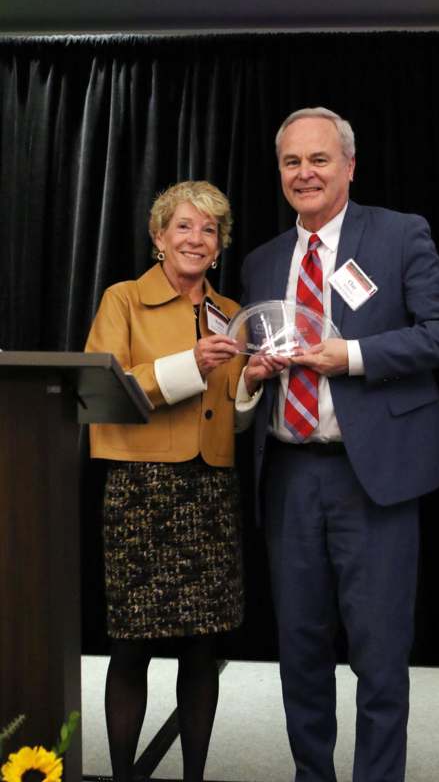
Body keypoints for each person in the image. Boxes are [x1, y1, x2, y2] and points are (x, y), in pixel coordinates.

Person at [238, 108, 439, 782]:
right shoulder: (262, 262)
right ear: (280, 172)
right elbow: (254, 362)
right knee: (299, 650)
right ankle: (313, 775)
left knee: (378, 652)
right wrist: (251, 381)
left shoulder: (398, 236)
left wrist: (354, 355)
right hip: (288, 475)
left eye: (319, 159)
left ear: (349, 166)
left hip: (374, 478)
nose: (305, 173)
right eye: (291, 162)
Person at [85, 180, 248, 782]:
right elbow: (105, 391)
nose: (196, 238)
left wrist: (252, 378)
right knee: (132, 645)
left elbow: (237, 411)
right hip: (140, 490)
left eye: (209, 229)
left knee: (204, 646)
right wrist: (188, 365)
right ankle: (126, 775)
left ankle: (195, 776)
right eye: (183, 226)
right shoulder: (122, 299)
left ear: (219, 245)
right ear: (159, 238)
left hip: (210, 491)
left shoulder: (233, 314)